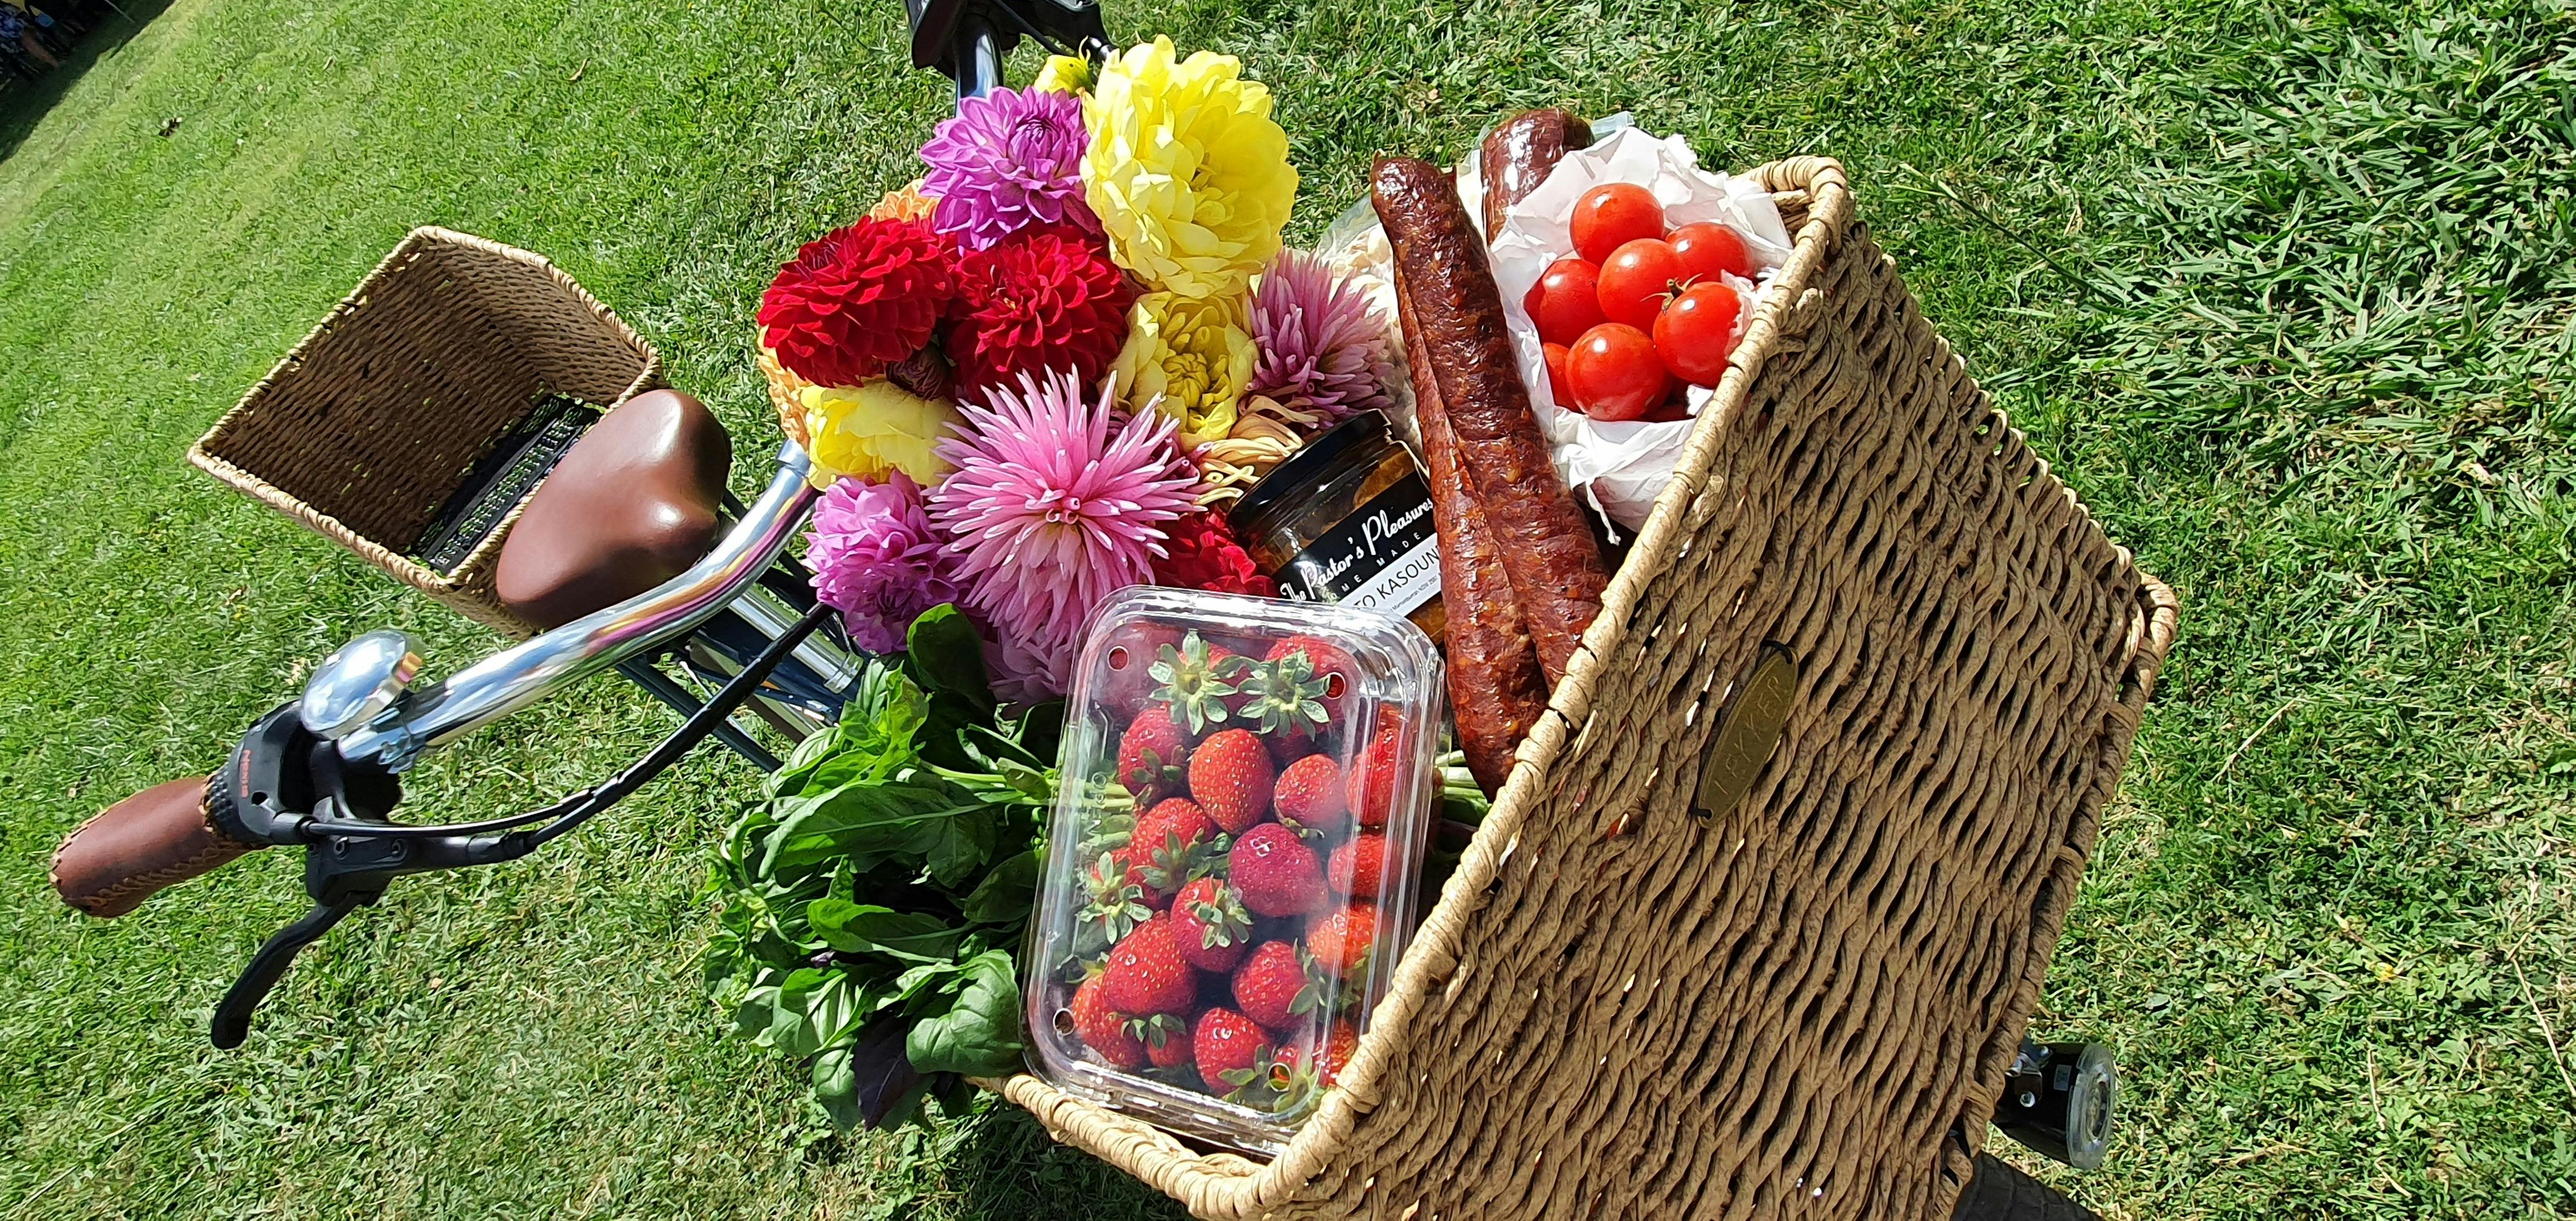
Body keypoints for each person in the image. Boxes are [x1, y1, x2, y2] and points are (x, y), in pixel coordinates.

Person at [0, 3, 61, 71]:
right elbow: (13, 9)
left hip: (14, 29)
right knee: (34, 45)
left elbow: (13, 9)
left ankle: (55, 58)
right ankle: (55, 61)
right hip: (15, 28)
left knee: (34, 44)